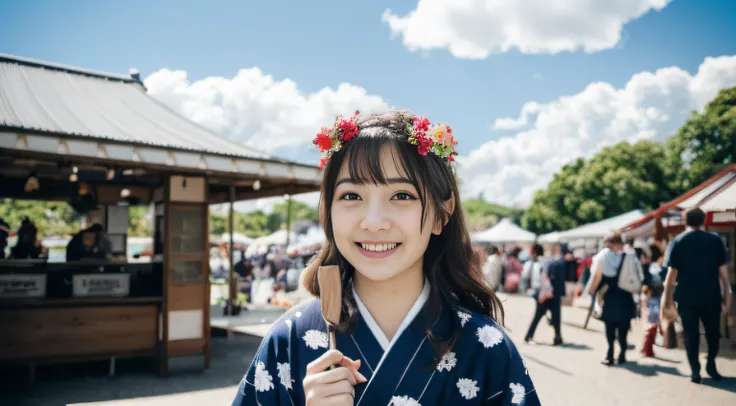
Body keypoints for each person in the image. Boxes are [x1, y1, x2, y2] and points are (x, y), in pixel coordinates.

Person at [231, 111, 539, 405]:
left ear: (440, 215)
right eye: (351, 196)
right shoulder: (290, 340)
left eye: (402, 196)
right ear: (328, 213)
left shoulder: (485, 347)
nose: (374, 221)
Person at [661, 208, 732, 384]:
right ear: (704, 220)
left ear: (685, 221)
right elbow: (724, 275)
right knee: (713, 333)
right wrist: (728, 298)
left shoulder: (677, 241)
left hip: (686, 297)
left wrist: (667, 301)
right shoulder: (715, 240)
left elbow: (671, 276)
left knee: (690, 334)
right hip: (711, 296)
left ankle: (695, 370)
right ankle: (711, 364)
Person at [588, 234, 638, 366]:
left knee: (609, 329)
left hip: (609, 297)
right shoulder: (628, 257)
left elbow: (596, 278)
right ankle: (622, 354)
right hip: (625, 297)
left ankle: (610, 355)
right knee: (623, 329)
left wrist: (592, 292)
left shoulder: (602, 257)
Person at [524, 243, 565, 346]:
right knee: (556, 316)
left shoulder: (537, 263)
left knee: (537, 316)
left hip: (543, 294)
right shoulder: (551, 260)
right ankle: (557, 337)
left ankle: (529, 336)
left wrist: (536, 294)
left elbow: (537, 281)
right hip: (554, 293)